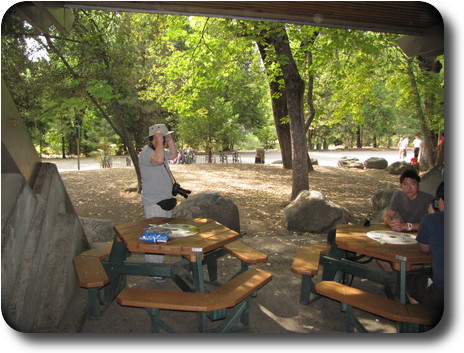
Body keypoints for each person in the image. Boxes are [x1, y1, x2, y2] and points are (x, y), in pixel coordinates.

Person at [139, 124, 178, 272]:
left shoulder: (158, 151)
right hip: (154, 202)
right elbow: (158, 160)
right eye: (161, 137)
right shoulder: (146, 153)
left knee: (162, 236)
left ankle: (157, 267)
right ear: (154, 138)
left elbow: (173, 155)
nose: (163, 141)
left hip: (165, 200)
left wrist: (169, 140)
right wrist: (159, 139)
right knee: (155, 238)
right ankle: (154, 270)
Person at [379, 170, 434, 272]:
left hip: (422, 238)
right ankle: (396, 281)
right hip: (404, 236)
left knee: (410, 263)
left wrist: (407, 226)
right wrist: (392, 223)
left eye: (412, 184)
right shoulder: (398, 195)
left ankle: (406, 282)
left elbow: (433, 224)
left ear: (418, 185)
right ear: (401, 186)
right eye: (405, 184)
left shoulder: (428, 199)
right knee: (379, 253)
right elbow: (388, 216)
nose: (409, 188)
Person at [407, 181, 444, 327]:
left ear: (441, 201)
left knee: (409, 281)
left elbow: (424, 248)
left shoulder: (432, 219)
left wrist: (433, 216)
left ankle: (422, 326)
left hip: (442, 292)